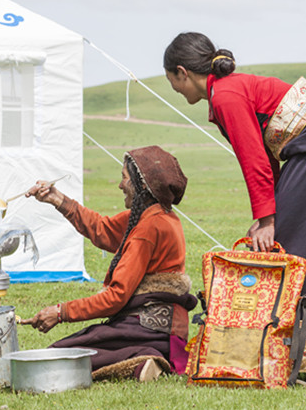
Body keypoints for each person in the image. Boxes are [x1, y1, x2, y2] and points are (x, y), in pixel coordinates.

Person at [163, 32, 306, 375]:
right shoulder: (228, 90)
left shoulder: (226, 95)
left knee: (291, 244)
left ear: (182, 72)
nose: (175, 90)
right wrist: (268, 214)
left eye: (172, 81)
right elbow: (269, 155)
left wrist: (268, 220)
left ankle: (289, 349)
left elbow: (254, 160)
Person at [21, 146, 197, 382]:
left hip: (146, 327)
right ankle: (147, 355)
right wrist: (57, 199)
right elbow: (102, 229)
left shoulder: (148, 227)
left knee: (59, 356)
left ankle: (144, 359)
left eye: (124, 178)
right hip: (160, 327)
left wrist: (61, 312)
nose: (120, 185)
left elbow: (116, 297)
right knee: (78, 347)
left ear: (141, 185)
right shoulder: (154, 215)